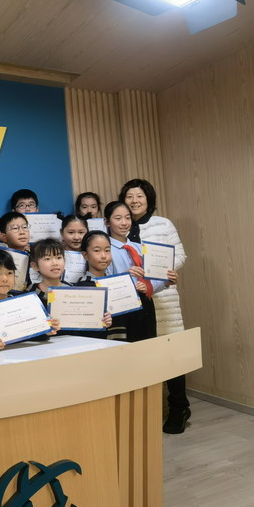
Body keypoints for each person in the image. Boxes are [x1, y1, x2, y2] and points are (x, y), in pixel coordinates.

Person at [119, 178, 191, 434]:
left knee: (172, 355)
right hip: (132, 301)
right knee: (142, 357)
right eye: (129, 196)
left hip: (163, 298)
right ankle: (148, 411)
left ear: (149, 199)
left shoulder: (163, 224)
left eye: (139, 196)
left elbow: (179, 254)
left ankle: (179, 408)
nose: (134, 201)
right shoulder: (119, 225)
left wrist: (163, 271)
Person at [105, 202, 177, 343]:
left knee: (149, 348)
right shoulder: (105, 249)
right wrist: (125, 278)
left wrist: (166, 281)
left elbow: (151, 284)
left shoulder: (141, 248)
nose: (124, 223)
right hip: (122, 309)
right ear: (107, 222)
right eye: (118, 218)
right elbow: (103, 282)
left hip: (146, 306)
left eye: (128, 218)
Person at [74, 231, 125, 340]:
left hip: (121, 343)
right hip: (99, 345)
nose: (103, 256)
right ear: (85, 255)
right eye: (97, 251)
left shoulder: (117, 284)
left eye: (107, 250)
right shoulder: (82, 288)